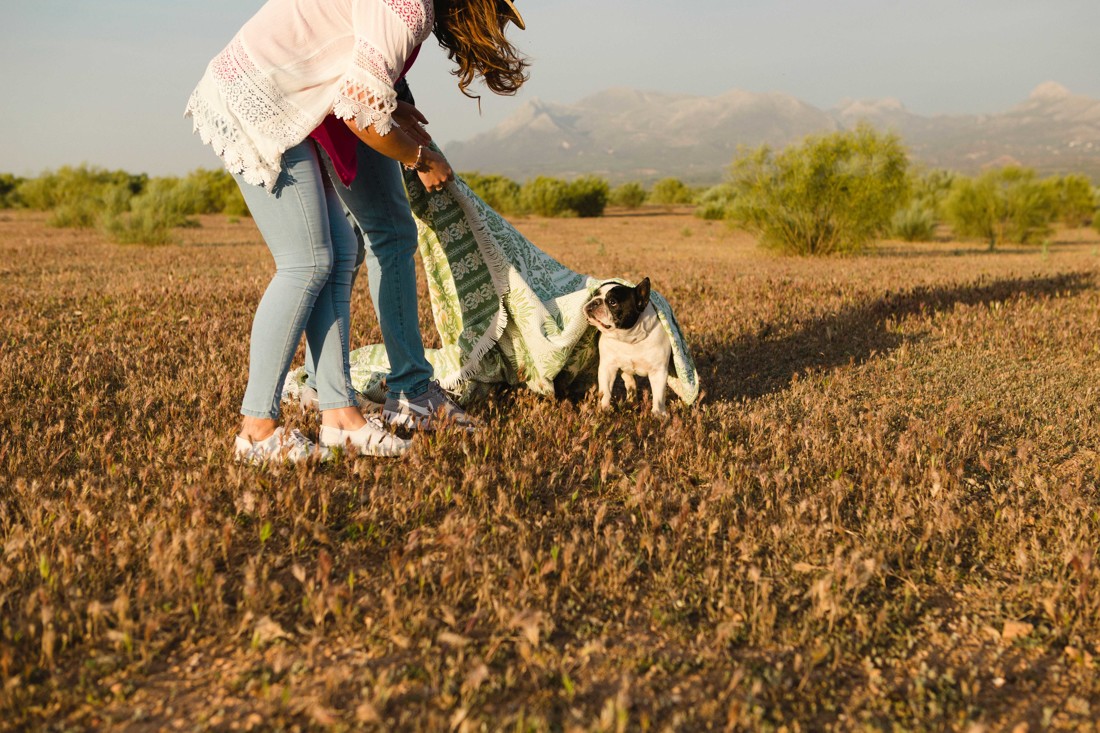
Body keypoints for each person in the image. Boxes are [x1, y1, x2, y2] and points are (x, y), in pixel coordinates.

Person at [185, 0, 528, 463]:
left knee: (341, 248)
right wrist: (419, 158)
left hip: (278, 92)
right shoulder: (408, 7)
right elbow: (358, 113)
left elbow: (349, 60)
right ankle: (256, 431)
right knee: (306, 262)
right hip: (260, 97)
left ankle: (339, 416)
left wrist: (395, 106)